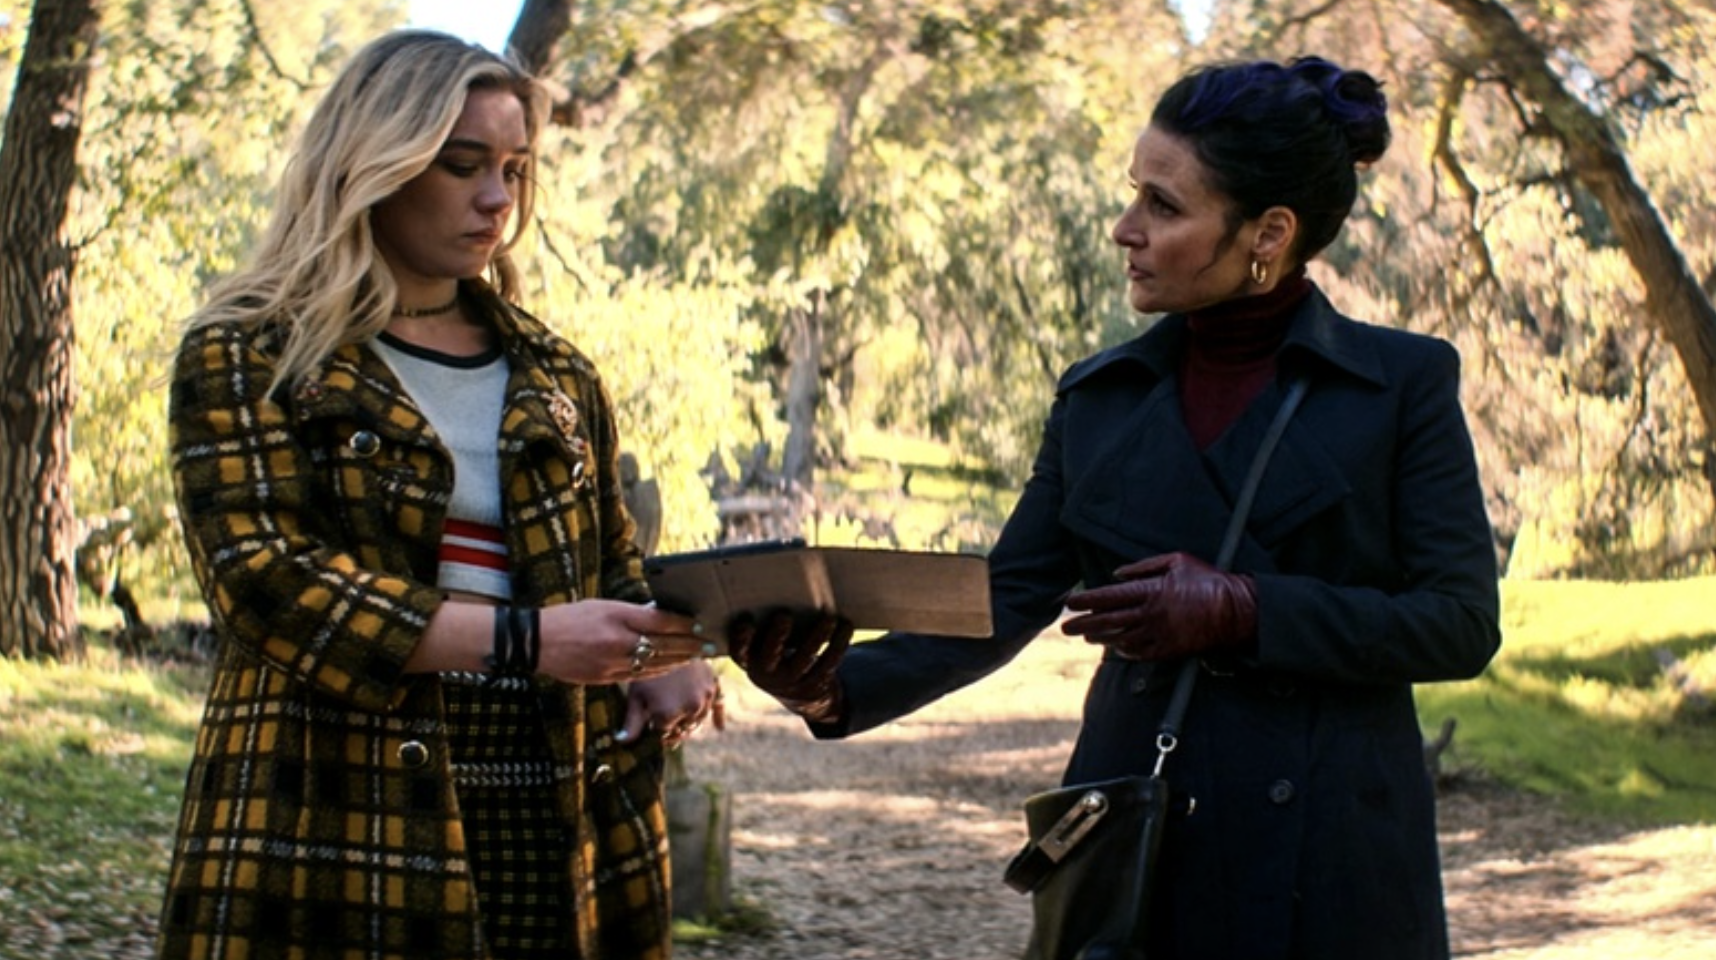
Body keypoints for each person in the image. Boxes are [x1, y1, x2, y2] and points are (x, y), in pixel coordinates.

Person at [732, 56, 1501, 959]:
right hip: (1139, 836)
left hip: (1330, 854)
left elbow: (1458, 623)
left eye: (1163, 206)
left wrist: (1248, 610)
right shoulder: (1101, 397)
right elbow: (1004, 597)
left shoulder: (1400, 385)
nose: (1124, 228)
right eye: (1134, 192)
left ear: (1269, 232)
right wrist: (835, 687)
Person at [159, 30, 721, 960]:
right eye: (462, 165)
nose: (498, 198)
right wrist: (527, 641)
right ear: (373, 164)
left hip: (555, 810)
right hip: (327, 808)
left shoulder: (557, 374)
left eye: (514, 169)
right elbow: (263, 582)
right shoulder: (250, 352)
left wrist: (666, 653)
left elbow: (615, 566)